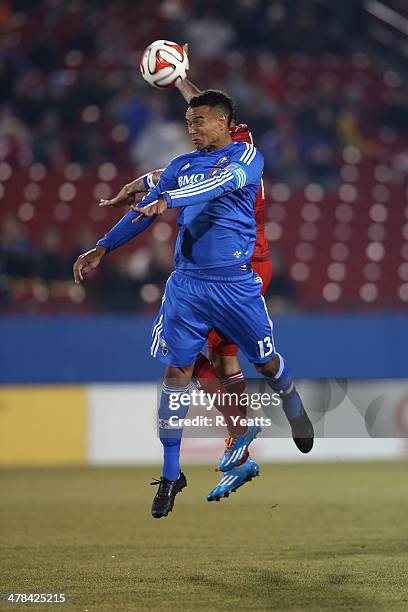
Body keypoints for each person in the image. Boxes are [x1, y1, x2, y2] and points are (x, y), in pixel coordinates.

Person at [74, 90, 314, 518]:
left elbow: (215, 185)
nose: (192, 128)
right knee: (176, 373)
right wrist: (102, 248)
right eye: (189, 121)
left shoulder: (247, 159)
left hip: (235, 285)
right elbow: (142, 211)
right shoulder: (181, 165)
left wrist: (167, 197)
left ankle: (293, 407)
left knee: (266, 362)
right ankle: (171, 475)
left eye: (200, 120)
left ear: (225, 122)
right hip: (187, 286)